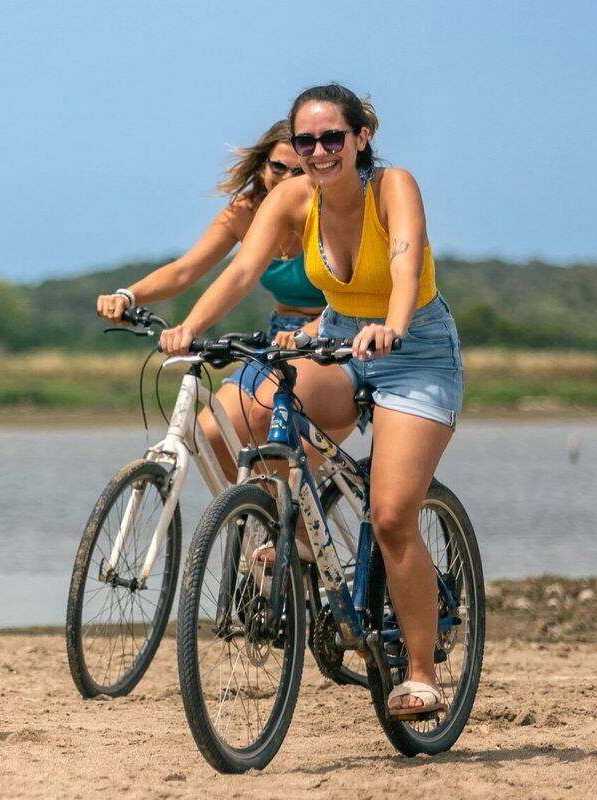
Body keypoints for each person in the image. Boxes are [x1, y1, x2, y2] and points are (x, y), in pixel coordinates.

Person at [158, 83, 463, 719]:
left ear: (361, 139)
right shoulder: (296, 196)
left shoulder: (392, 187)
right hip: (339, 340)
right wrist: (191, 327)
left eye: (332, 138)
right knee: (242, 411)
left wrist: (394, 325)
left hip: (415, 350)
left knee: (390, 516)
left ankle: (421, 672)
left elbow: (405, 265)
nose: (319, 151)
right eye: (306, 140)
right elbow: (241, 272)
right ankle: (294, 531)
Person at [95, 120, 328, 480]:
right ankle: (254, 519)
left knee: (270, 429)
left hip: (331, 334)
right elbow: (186, 270)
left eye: (297, 171)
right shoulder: (246, 212)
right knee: (208, 434)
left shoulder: (329, 212)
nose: (284, 179)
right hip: (279, 336)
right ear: (262, 166)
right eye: (276, 167)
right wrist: (128, 295)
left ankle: (288, 529)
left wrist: (313, 330)